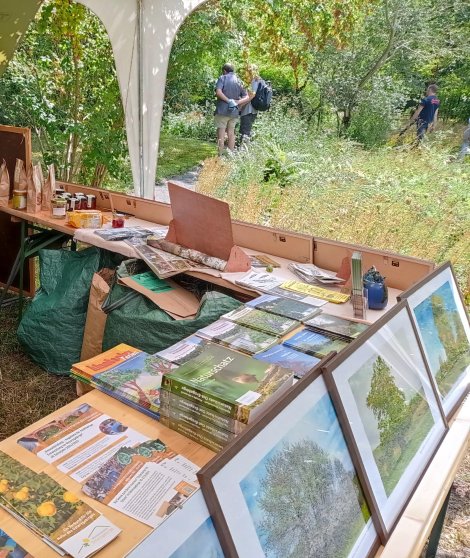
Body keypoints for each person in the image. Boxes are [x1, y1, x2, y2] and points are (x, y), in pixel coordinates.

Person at [214, 63, 248, 155]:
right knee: (231, 133)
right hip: (234, 112)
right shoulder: (239, 81)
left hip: (222, 111)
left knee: (220, 133)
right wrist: (237, 103)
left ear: (224, 71)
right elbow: (247, 97)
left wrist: (229, 101)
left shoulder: (222, 78)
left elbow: (218, 92)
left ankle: (219, 155)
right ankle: (231, 155)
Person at [238, 64, 262, 144]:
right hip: (252, 110)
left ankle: (242, 153)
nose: (246, 73)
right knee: (246, 132)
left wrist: (240, 105)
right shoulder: (257, 80)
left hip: (248, 110)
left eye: (247, 71)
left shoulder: (255, 80)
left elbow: (252, 95)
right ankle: (244, 152)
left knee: (244, 133)